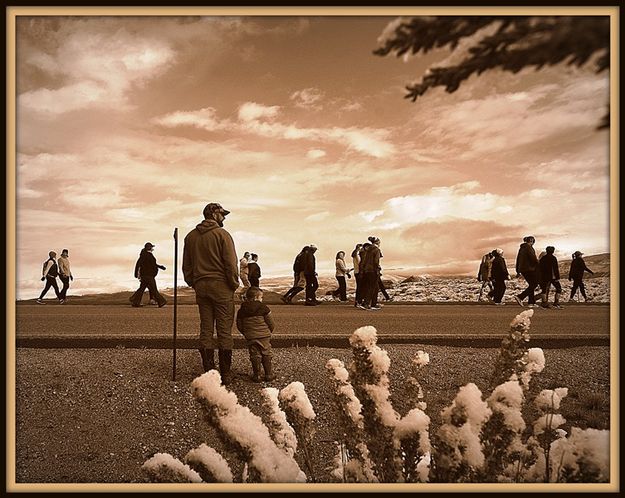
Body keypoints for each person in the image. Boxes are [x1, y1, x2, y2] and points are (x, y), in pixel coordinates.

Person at [183, 202, 239, 383]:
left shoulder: (190, 237)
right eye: (222, 214)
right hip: (221, 286)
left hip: (201, 286)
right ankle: (226, 373)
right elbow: (231, 263)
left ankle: (208, 371)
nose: (224, 218)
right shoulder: (222, 234)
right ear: (214, 214)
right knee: (224, 329)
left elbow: (187, 265)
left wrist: (193, 281)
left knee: (206, 328)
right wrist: (233, 283)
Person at [236, 287, 276, 382]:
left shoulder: (242, 310)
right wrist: (269, 331)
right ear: (256, 297)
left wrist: (245, 333)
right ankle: (268, 374)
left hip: (250, 336)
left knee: (254, 354)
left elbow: (239, 325)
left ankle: (257, 375)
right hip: (264, 335)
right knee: (266, 353)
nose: (262, 299)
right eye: (261, 297)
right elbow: (271, 323)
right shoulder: (264, 308)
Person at [130, 243, 167, 308]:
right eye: (151, 247)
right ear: (149, 248)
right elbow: (151, 264)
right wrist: (159, 267)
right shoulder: (148, 255)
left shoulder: (144, 255)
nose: (152, 248)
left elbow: (139, 264)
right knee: (153, 289)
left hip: (145, 275)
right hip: (148, 275)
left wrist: (160, 267)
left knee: (141, 289)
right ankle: (161, 301)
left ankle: (135, 301)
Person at [514, 235, 539, 307]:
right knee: (534, 284)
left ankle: (531, 302)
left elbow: (518, 260)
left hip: (523, 269)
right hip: (530, 269)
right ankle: (520, 297)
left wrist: (518, 270)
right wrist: (538, 264)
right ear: (531, 241)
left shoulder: (522, 248)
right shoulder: (529, 248)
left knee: (532, 284)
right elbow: (533, 259)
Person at [359, 236, 382, 311]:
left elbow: (364, 261)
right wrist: (377, 269)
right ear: (377, 242)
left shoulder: (368, 250)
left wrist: (363, 270)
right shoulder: (376, 250)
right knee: (373, 287)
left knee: (373, 287)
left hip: (367, 271)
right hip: (373, 271)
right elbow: (376, 261)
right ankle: (367, 304)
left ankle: (372, 304)